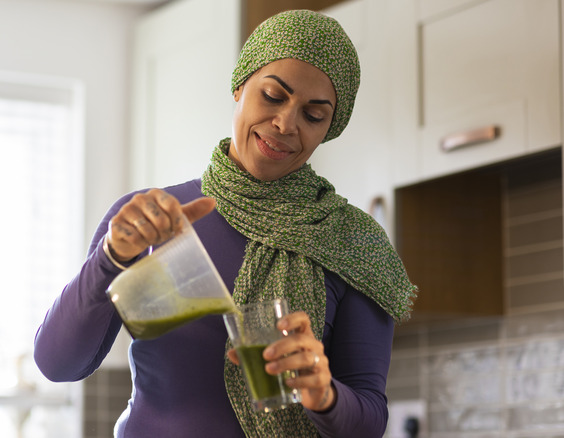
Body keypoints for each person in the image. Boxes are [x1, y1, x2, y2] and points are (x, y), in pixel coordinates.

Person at [34, 9, 417, 438]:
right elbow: (58, 364)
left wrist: (324, 395)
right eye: (273, 95)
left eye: (313, 115)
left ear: (329, 129)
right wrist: (108, 260)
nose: (285, 123)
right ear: (240, 85)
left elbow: (367, 421)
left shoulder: (354, 245)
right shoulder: (150, 218)